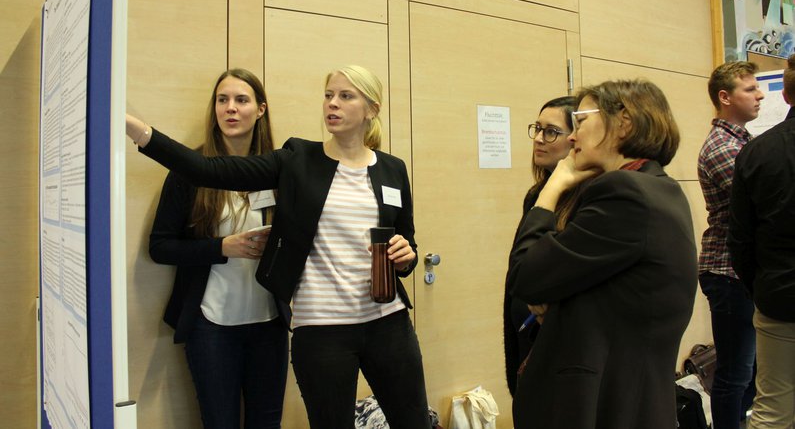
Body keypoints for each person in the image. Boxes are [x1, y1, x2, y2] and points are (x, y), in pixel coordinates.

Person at [127, 65, 431, 429]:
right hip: (323, 329)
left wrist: (406, 256)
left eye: (345, 96)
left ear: (371, 109)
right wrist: (140, 132)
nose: (332, 104)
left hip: (388, 321)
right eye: (328, 95)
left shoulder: (392, 169)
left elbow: (407, 242)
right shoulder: (297, 159)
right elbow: (207, 170)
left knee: (414, 422)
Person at [506, 79, 698, 428]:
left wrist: (553, 186)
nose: (573, 137)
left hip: (605, 402)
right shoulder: (658, 187)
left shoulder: (624, 191)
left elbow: (526, 276)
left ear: (623, 123)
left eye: (580, 122)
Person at [148, 68, 288, 429]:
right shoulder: (188, 171)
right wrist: (221, 247)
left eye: (241, 100)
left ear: (260, 110)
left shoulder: (281, 171)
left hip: (270, 325)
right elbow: (160, 247)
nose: (230, 108)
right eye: (222, 100)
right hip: (211, 327)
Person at [729, 54, 795, 429]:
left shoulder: (756, 152)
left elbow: (740, 239)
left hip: (778, 298)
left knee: (771, 410)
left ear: (785, 96)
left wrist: (762, 286)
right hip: (775, 292)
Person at [697, 61, 764, 429]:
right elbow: (762, 201)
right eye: (750, 89)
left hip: (740, 272)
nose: (760, 94)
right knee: (735, 373)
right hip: (727, 271)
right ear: (725, 97)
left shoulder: (743, 141)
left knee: (749, 370)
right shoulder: (723, 147)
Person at [503, 95, 577, 397]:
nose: (539, 140)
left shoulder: (585, 199)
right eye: (537, 129)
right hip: (525, 326)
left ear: (576, 139)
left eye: (551, 132)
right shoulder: (536, 194)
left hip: (558, 337)